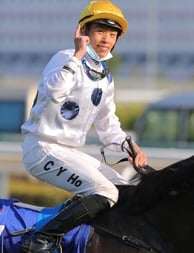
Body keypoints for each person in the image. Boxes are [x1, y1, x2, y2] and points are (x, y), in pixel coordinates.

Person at [21, 1, 148, 252]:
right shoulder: (65, 57)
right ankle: (40, 240)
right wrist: (78, 54)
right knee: (105, 191)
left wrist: (129, 146)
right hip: (41, 148)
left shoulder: (104, 75)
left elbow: (108, 125)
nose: (106, 39)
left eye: (112, 35)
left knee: (125, 190)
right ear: (84, 31)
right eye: (100, 31)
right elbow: (53, 92)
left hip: (68, 152)